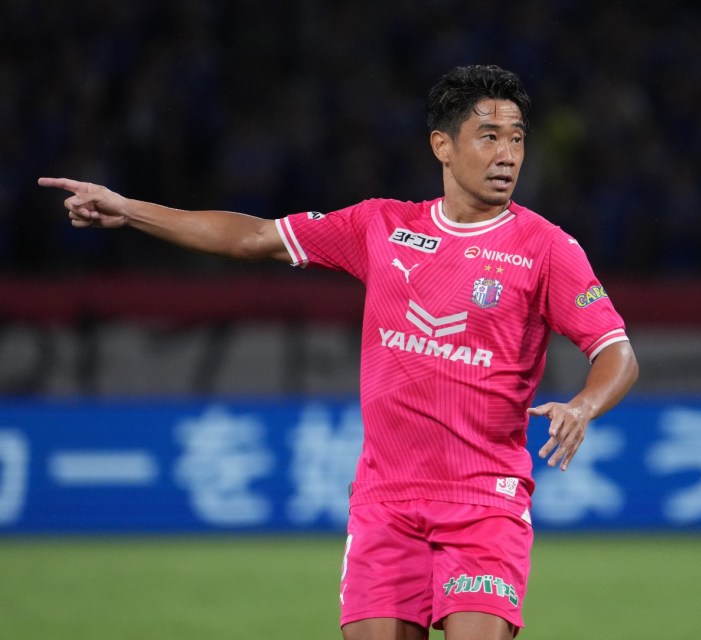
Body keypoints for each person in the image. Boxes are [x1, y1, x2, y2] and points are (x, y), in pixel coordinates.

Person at [40, 64, 639, 640]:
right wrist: (128, 209)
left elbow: (616, 352)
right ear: (443, 146)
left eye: (516, 139)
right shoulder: (380, 226)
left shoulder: (547, 248)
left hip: (485, 502)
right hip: (385, 504)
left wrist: (583, 407)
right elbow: (252, 236)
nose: (508, 154)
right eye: (489, 137)